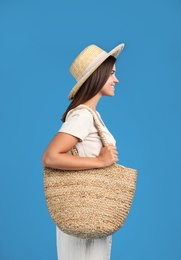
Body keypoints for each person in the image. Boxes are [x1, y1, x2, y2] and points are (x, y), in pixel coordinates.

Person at [42, 42, 125, 260]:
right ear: (98, 76)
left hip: (91, 208)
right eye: (112, 74)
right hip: (81, 210)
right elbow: (50, 157)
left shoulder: (93, 116)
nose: (116, 80)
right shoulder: (83, 115)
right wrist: (100, 161)